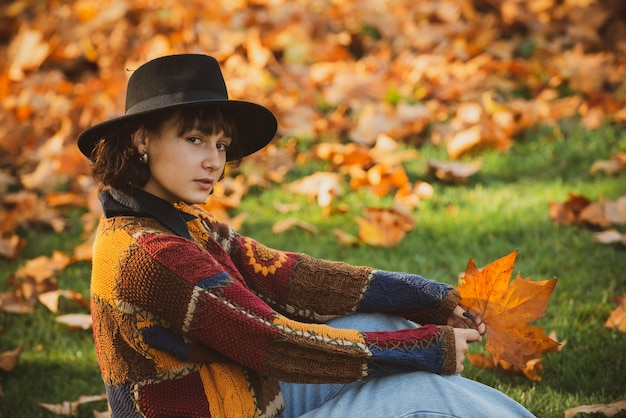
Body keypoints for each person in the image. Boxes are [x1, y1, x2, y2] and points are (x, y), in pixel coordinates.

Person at [77, 54, 535, 417]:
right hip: (227, 405)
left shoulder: (178, 222)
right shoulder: (147, 254)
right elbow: (273, 343)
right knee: (423, 391)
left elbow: (287, 278)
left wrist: (431, 299)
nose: (214, 161)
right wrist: (426, 349)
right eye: (194, 140)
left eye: (220, 145)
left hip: (247, 397)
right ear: (141, 139)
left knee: (384, 326)